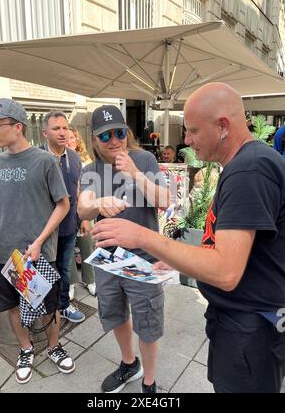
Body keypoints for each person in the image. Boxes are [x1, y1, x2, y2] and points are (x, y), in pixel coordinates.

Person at [91, 83, 285, 393]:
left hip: (251, 333)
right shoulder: (245, 164)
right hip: (244, 327)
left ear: (223, 126)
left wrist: (143, 237)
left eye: (192, 131)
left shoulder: (250, 170)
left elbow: (225, 271)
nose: (186, 140)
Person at [77, 105, 170, 393]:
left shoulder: (143, 158)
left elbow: (165, 200)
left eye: (119, 133)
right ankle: (129, 363)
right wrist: (97, 204)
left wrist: (135, 173)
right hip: (107, 257)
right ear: (94, 140)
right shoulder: (91, 169)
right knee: (115, 313)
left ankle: (150, 381)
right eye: (106, 136)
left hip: (143, 256)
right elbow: (82, 208)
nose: (114, 140)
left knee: (148, 321)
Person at [0, 98, 76, 384]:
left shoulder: (45, 161)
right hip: (3, 252)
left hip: (35, 253)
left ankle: (53, 346)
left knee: (48, 306)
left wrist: (39, 241)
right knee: (11, 305)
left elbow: (63, 205)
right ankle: (25, 348)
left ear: (18, 127)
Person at [41, 112, 85, 323]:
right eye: (56, 128)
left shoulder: (75, 157)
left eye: (65, 128)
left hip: (68, 226)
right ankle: (44, 310)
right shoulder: (36, 157)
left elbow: (78, 191)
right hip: (43, 229)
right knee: (44, 270)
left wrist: (83, 218)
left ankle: (64, 306)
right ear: (44, 133)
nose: (62, 132)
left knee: (64, 269)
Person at [67, 126, 96, 297]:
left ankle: (90, 279)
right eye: (67, 137)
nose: (69, 140)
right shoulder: (57, 160)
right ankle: (71, 282)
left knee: (87, 244)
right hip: (65, 210)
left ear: (77, 140)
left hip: (84, 208)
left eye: (73, 137)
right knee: (68, 245)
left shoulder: (86, 162)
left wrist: (86, 217)